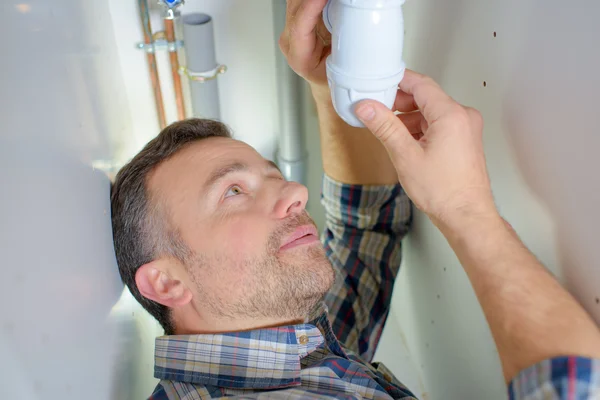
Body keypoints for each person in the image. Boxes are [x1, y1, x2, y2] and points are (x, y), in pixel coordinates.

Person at [110, 0, 600, 398]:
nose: (295, 192)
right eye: (233, 191)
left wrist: (329, 85)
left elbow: (366, 231)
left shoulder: (279, 342)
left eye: (274, 175)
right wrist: (466, 210)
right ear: (168, 282)